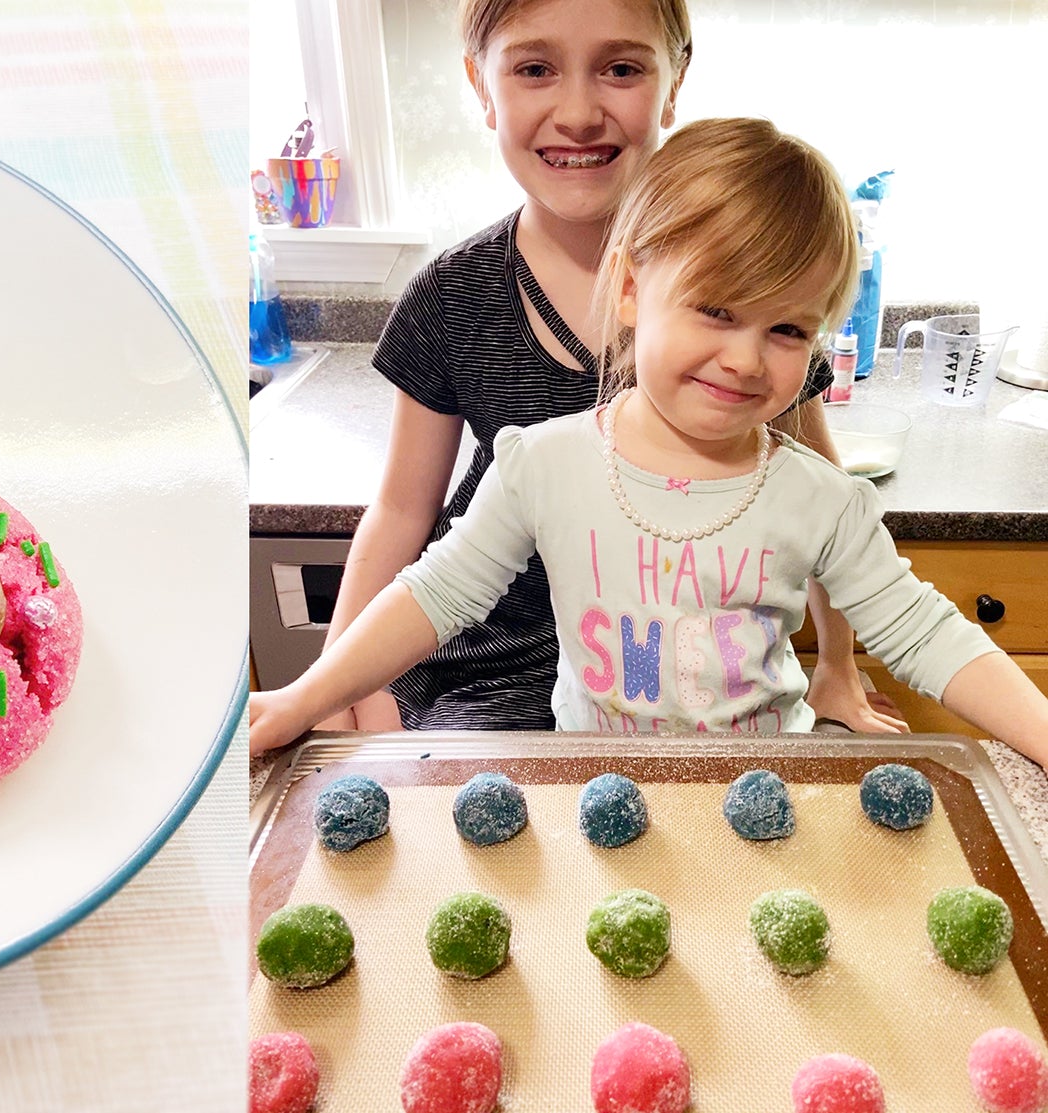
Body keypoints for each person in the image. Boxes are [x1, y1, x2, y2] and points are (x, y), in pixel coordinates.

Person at [250, 118, 1048, 764]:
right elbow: (434, 595)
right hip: (595, 795)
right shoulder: (542, 464)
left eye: (787, 328)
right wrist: (305, 697)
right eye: (716, 310)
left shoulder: (823, 499)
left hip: (764, 797)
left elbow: (925, 630)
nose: (744, 357)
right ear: (632, 289)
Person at [315, 0, 904, 741]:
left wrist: (838, 667)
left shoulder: (755, 287)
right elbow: (402, 513)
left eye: (621, 69)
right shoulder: (451, 295)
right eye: (534, 69)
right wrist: (336, 682)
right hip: (485, 672)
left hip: (685, 688)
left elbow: (821, 493)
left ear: (676, 77)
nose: (579, 113)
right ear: (480, 84)